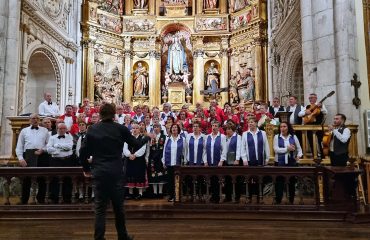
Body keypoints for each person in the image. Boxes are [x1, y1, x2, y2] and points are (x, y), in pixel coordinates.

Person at [80, 103, 151, 240]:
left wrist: (86, 169)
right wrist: (147, 137)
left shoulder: (92, 129)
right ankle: (122, 236)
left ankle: (99, 237)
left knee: (100, 208)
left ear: (100, 114)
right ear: (113, 114)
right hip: (116, 172)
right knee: (118, 207)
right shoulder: (120, 128)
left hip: (99, 171)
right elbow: (135, 145)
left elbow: (83, 152)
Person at [15, 114, 49, 204]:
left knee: (42, 179)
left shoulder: (45, 130)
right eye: (33, 118)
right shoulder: (24, 131)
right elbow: (19, 146)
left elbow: (49, 144)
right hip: (28, 155)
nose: (35, 120)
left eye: (37, 118)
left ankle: (41, 199)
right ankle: (24, 200)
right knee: (26, 179)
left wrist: (43, 150)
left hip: (41, 155)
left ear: (39, 120)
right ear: (29, 120)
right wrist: (21, 159)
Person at [241, 117, 270, 203]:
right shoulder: (245, 134)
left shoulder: (263, 133)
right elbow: (243, 148)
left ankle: (259, 197)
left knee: (259, 180)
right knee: (249, 180)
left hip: (260, 160)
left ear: (256, 123)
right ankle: (249, 197)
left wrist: (267, 158)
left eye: (252, 122)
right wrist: (244, 159)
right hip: (249, 160)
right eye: (249, 122)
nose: (250, 124)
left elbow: (266, 146)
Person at [273, 122, 302, 204]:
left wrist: (298, 156)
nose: (282, 128)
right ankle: (278, 200)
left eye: (284, 126)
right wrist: (287, 149)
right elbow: (276, 149)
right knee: (279, 182)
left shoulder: (294, 137)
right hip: (279, 162)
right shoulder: (276, 137)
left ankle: (291, 200)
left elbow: (299, 150)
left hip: (291, 162)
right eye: (281, 127)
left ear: (288, 127)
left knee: (291, 182)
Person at [47, 123, 74, 203]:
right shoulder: (52, 138)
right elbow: (48, 149)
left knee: (67, 179)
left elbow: (69, 147)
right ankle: (54, 198)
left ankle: (67, 198)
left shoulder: (69, 137)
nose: (62, 130)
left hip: (67, 160)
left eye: (63, 128)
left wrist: (56, 146)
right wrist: (61, 149)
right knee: (55, 179)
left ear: (66, 129)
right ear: (57, 129)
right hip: (56, 161)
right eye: (60, 128)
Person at [123, 123, 148, 200]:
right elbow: (125, 148)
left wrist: (135, 155)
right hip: (129, 159)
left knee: (139, 176)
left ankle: (140, 193)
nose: (135, 130)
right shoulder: (128, 138)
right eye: (133, 128)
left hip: (139, 160)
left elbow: (143, 149)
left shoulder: (142, 138)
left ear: (139, 129)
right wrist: (129, 155)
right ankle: (131, 193)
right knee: (130, 175)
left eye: (136, 128)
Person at [162, 124, 186, 202]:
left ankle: (178, 196)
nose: (174, 129)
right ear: (171, 130)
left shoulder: (182, 139)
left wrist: (185, 161)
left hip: (178, 164)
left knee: (178, 181)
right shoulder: (167, 139)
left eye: (176, 127)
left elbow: (184, 152)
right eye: (173, 128)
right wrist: (164, 161)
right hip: (169, 163)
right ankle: (171, 196)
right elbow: (164, 151)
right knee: (170, 181)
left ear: (178, 129)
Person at [300, 93, 328, 158]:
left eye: (312, 97)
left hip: (319, 126)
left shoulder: (320, 105)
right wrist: (305, 112)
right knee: (311, 141)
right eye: (309, 98)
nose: (311, 99)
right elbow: (299, 114)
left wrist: (321, 107)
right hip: (309, 126)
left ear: (316, 98)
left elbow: (326, 112)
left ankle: (323, 156)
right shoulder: (307, 106)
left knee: (321, 141)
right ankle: (314, 156)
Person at [205, 121, 226, 203]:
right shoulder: (207, 137)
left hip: (218, 162)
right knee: (211, 180)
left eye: (216, 126)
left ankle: (216, 196)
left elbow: (224, 150)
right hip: (210, 162)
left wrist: (221, 161)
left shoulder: (222, 137)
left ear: (219, 127)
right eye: (213, 125)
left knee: (216, 180)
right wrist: (205, 161)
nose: (214, 127)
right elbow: (205, 150)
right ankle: (213, 195)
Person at [221, 121, 242, 202]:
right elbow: (223, 149)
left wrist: (237, 159)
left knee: (237, 180)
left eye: (229, 129)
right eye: (226, 129)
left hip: (235, 162)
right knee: (227, 180)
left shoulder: (238, 137)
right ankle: (228, 197)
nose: (227, 131)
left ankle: (237, 197)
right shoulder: (225, 138)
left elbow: (238, 148)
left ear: (233, 129)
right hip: (227, 161)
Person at [148, 123, 167, 198]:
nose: (156, 128)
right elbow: (148, 148)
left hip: (161, 158)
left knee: (160, 175)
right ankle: (155, 193)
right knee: (153, 176)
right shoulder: (151, 137)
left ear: (160, 128)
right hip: (152, 158)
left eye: (157, 127)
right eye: (154, 127)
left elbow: (165, 149)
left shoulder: (164, 137)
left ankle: (160, 192)